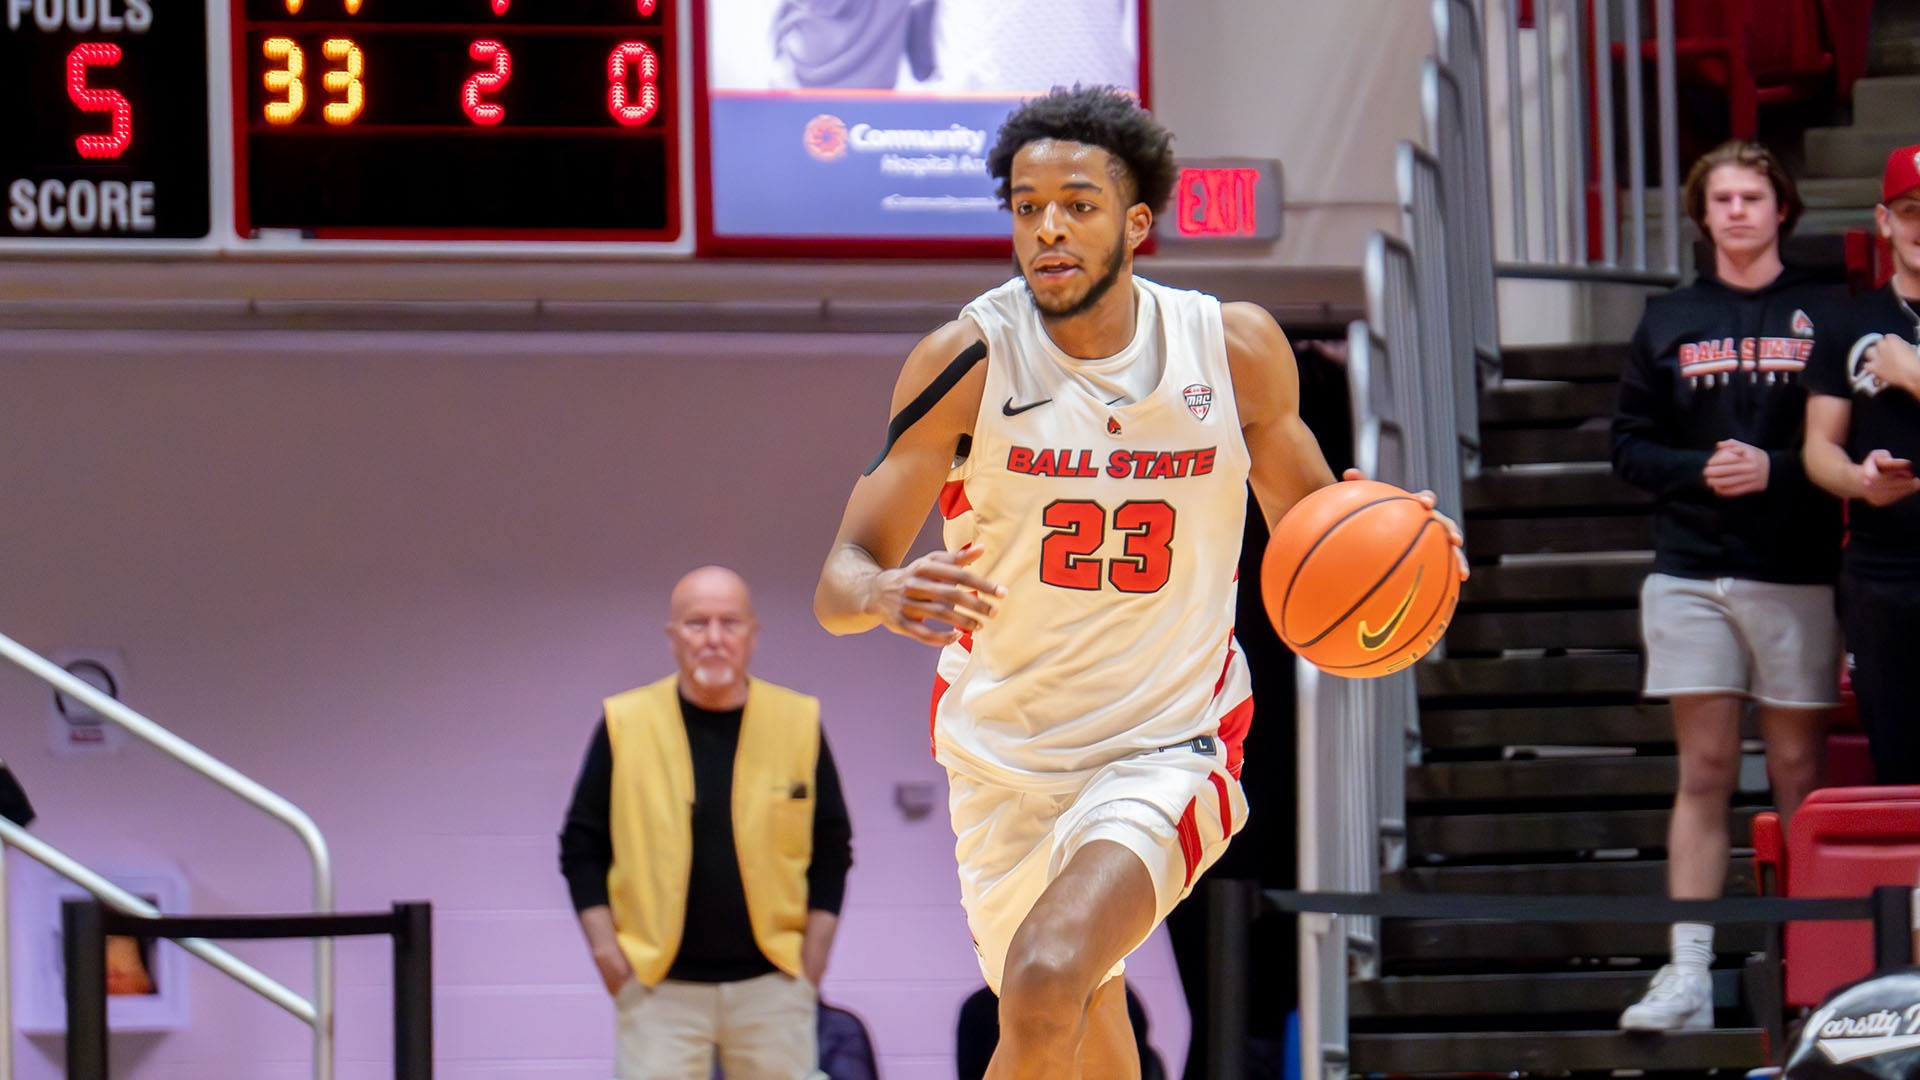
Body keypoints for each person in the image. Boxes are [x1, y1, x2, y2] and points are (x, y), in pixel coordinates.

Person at [812, 86, 1460, 1079]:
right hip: (1003, 761)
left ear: (1138, 221)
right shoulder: (967, 363)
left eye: (1078, 202)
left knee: (1043, 974)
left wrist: (1400, 555)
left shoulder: (1233, 351)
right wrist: (884, 592)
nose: (1049, 228)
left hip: (1167, 744)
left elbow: (1321, 533)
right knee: (1081, 1032)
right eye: (1028, 208)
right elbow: (838, 578)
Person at [1610, 139, 1845, 1032]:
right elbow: (1627, 446)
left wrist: (1777, 470)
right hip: (1690, 571)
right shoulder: (1668, 317)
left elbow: (1843, 444)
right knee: (1704, 767)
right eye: (1723, 198)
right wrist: (1701, 468)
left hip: (1795, 568)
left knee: (1797, 770)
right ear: (1702, 215)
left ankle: (1816, 968)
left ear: (1782, 207)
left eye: (1754, 195)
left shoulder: (1827, 311)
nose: (1738, 210)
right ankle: (1689, 977)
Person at [558, 566, 853, 1080]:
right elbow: (580, 848)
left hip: (774, 987)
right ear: (673, 637)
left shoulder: (797, 721)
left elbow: (833, 848)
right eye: (697, 624)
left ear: (752, 635)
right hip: (656, 990)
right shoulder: (625, 723)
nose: (714, 638)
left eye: (729, 623)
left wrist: (812, 965)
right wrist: (611, 959)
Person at [1803, 142, 1920, 786]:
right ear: (1884, 221)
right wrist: (1859, 482)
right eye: (1910, 211)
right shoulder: (1849, 323)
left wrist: (1911, 371)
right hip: (1879, 571)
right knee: (1898, 764)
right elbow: (1819, 449)